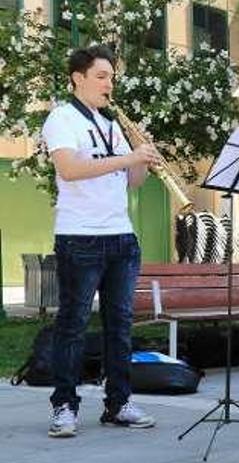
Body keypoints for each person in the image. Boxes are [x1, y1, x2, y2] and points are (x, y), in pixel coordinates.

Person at [42, 45, 161, 438]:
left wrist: (143, 158)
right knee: (73, 324)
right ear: (78, 78)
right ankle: (64, 405)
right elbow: (71, 169)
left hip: (121, 238)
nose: (109, 84)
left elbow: (132, 182)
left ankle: (119, 403)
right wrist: (128, 158)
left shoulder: (111, 123)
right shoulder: (62, 118)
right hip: (81, 237)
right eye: (101, 76)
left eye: (111, 77)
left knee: (121, 326)